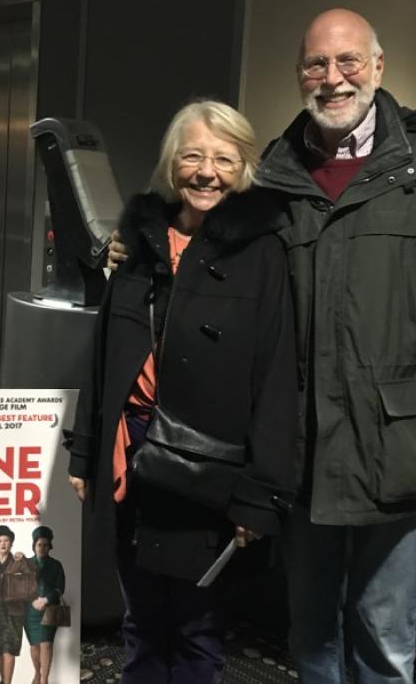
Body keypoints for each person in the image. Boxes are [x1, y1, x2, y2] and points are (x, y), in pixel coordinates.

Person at [109, 10, 416, 684]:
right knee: (311, 631)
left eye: (348, 61)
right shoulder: (277, 173)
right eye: (316, 64)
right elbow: (210, 246)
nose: (332, 77)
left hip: (401, 444)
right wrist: (135, 244)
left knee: (384, 637)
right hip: (306, 450)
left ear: (378, 67)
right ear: (299, 75)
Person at [67, 99, 298, 682]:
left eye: (223, 158)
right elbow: (104, 356)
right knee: (140, 623)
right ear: (173, 162)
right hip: (133, 448)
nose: (206, 172)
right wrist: (85, 449)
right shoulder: (139, 237)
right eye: (193, 155)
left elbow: (276, 380)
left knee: (197, 633)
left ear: (243, 166)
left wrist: (258, 495)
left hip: (208, 467)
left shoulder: (262, 251)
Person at [0, 524, 36, 684]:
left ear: (11, 543)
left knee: (9, 647)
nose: (3, 544)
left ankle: (7, 682)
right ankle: (3, 680)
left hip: (14, 611)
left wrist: (24, 560)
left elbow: (31, 580)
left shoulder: (18, 561)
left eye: (6, 540)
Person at [23, 526, 66, 684]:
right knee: (35, 646)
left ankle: (44, 680)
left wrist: (45, 600)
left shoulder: (56, 565)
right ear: (34, 545)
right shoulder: (25, 563)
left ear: (50, 546)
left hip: (50, 609)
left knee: (46, 644)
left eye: (45, 545)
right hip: (30, 611)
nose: (42, 547)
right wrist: (34, 599)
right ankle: (37, 673)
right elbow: (21, 586)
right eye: (39, 544)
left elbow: (60, 588)